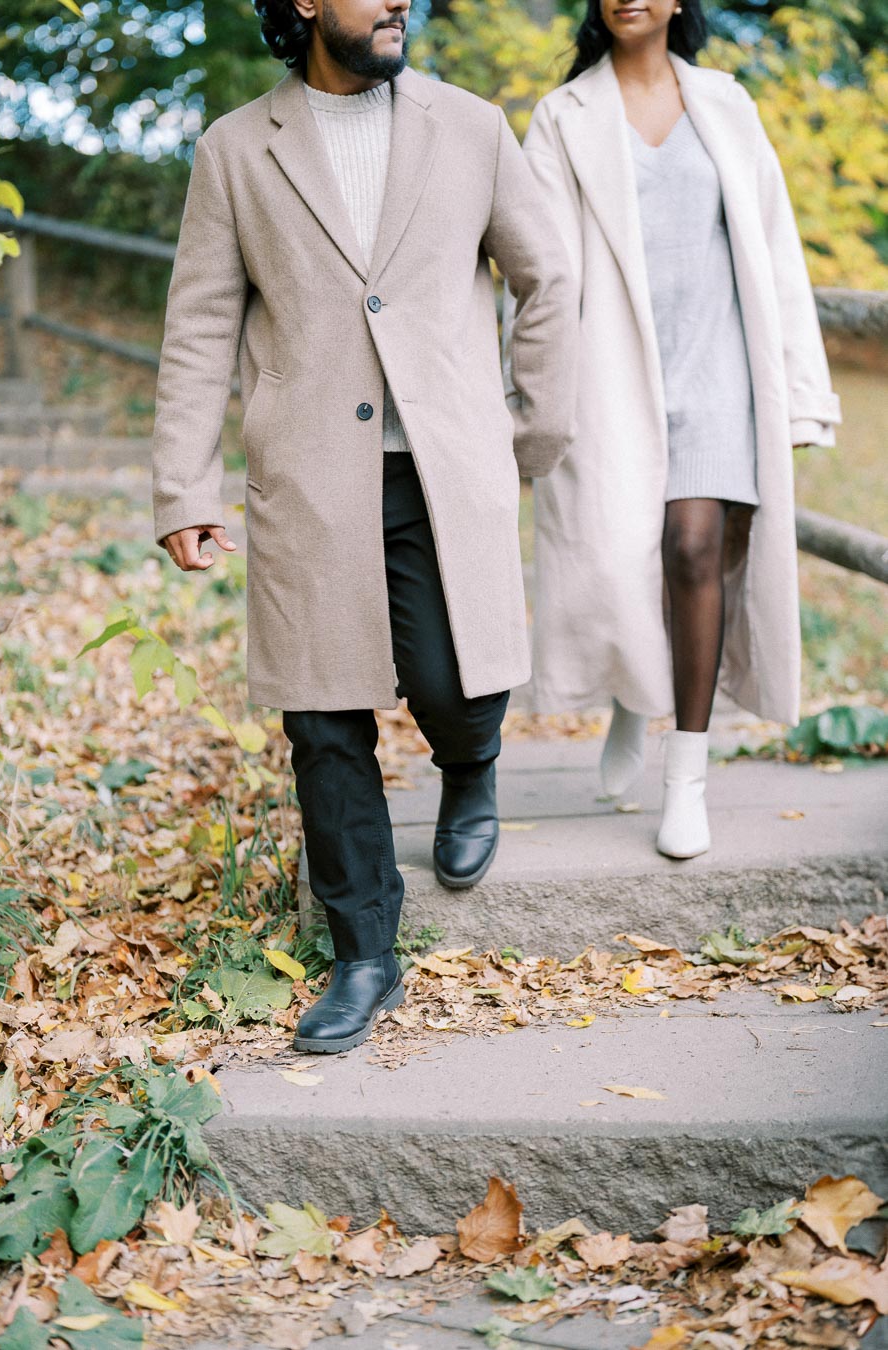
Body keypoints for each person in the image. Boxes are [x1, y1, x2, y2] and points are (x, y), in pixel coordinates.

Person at [152, 0, 578, 1052]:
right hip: (306, 475)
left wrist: (532, 430)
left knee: (452, 676)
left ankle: (469, 765)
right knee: (323, 721)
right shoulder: (236, 151)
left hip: (442, 468)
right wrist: (185, 488)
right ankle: (364, 955)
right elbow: (200, 323)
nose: (400, 2)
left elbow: (547, 278)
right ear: (303, 4)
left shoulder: (471, 126)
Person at [507, 0, 840, 859]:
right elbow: (538, 268)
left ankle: (686, 772)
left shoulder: (727, 102)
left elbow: (776, 247)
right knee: (623, 555)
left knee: (695, 549)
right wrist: (532, 397)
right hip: (613, 371)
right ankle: (631, 695)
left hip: (721, 369)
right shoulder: (563, 114)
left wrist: (802, 394)